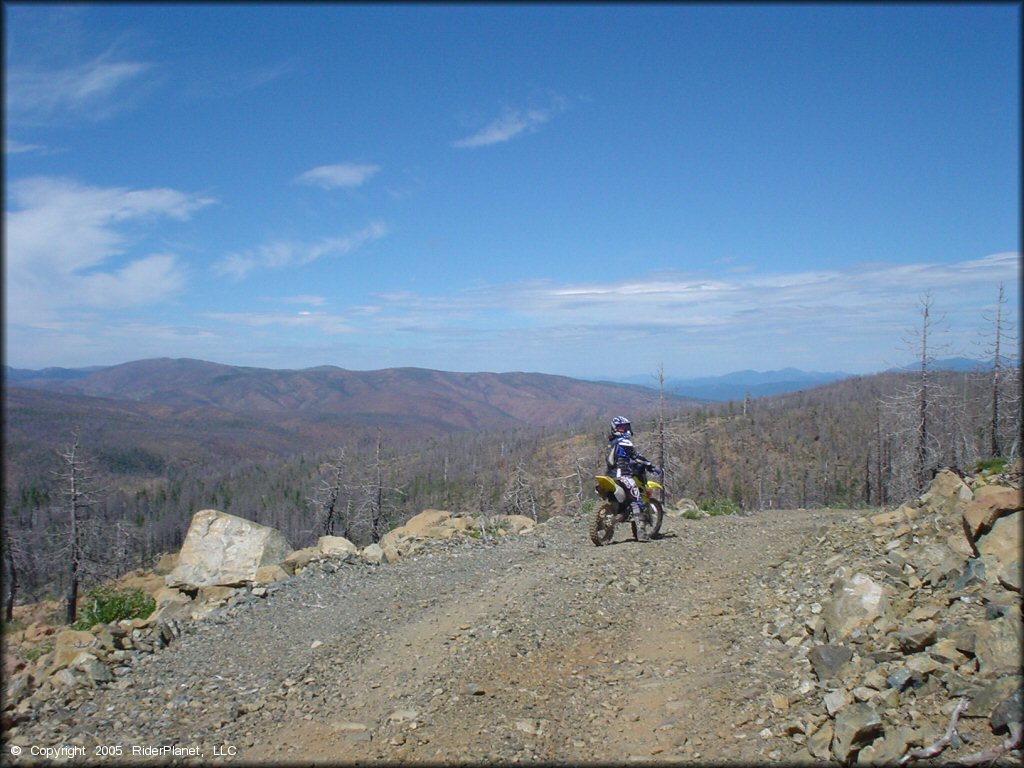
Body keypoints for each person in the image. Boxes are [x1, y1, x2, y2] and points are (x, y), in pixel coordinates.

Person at [606, 416, 660, 541]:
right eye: (622, 428)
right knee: (637, 501)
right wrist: (650, 465)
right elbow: (637, 457)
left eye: (626, 427)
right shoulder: (625, 442)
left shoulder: (611, 443)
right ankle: (641, 533)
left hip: (610, 476)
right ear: (616, 429)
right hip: (623, 476)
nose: (626, 430)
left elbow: (618, 460)